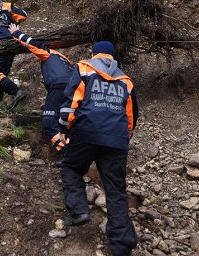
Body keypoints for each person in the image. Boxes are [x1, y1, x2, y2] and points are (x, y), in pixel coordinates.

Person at [58, 41, 139, 256]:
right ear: (113, 57)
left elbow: (70, 102)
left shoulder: (84, 68)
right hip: (116, 139)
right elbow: (131, 117)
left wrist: (64, 129)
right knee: (115, 189)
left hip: (86, 133)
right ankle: (122, 246)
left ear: (94, 53)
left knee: (71, 167)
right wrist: (124, 137)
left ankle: (79, 211)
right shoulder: (126, 81)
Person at [7, 23, 74, 152]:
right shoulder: (67, 62)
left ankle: (70, 153)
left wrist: (16, 33)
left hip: (58, 86)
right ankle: (76, 152)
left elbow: (32, 44)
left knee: (49, 124)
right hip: (73, 91)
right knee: (64, 123)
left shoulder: (49, 53)